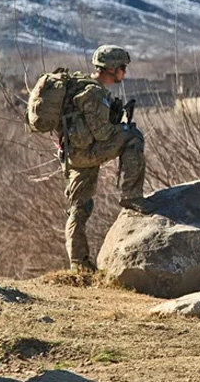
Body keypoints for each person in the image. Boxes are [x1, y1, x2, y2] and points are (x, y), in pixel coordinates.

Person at [62, 45, 156, 272]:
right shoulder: (94, 93)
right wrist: (120, 125)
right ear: (112, 68)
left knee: (79, 207)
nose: (124, 72)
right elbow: (102, 133)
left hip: (74, 155)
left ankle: (79, 265)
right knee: (133, 137)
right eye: (122, 67)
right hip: (87, 154)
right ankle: (131, 195)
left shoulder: (82, 87)